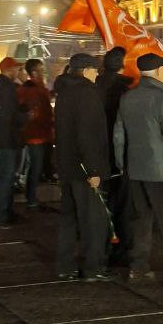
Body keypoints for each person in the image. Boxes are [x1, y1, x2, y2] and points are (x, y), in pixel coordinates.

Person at [113, 53, 163, 286]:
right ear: (159, 71)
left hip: (135, 168)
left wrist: (122, 163)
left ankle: (138, 268)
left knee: (140, 220)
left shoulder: (127, 97)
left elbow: (118, 134)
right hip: (160, 170)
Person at [54, 54, 113, 282]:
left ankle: (65, 266)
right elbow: (88, 135)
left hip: (67, 165)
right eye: (95, 70)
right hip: (84, 168)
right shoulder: (86, 93)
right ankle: (93, 266)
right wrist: (93, 170)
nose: (97, 73)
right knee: (92, 219)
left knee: (68, 218)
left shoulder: (64, 91)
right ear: (86, 70)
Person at [97, 46, 132, 258]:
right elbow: (122, 128)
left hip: (98, 153)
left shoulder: (95, 86)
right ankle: (118, 247)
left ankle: (103, 245)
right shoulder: (123, 91)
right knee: (120, 204)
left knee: (104, 202)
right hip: (118, 154)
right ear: (123, 65)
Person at [0, 57, 26, 227]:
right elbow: (10, 114)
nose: (19, 72)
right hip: (7, 138)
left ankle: (4, 212)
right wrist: (26, 116)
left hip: (1, 137)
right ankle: (0, 215)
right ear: (10, 69)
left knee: (4, 176)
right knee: (5, 177)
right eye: (17, 69)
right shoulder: (8, 87)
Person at [18, 58, 54, 211]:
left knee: (34, 166)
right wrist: (51, 123)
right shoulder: (35, 90)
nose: (44, 72)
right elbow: (38, 113)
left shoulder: (28, 88)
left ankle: (31, 197)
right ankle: (31, 199)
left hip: (34, 133)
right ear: (34, 72)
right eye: (41, 70)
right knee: (36, 167)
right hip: (37, 134)